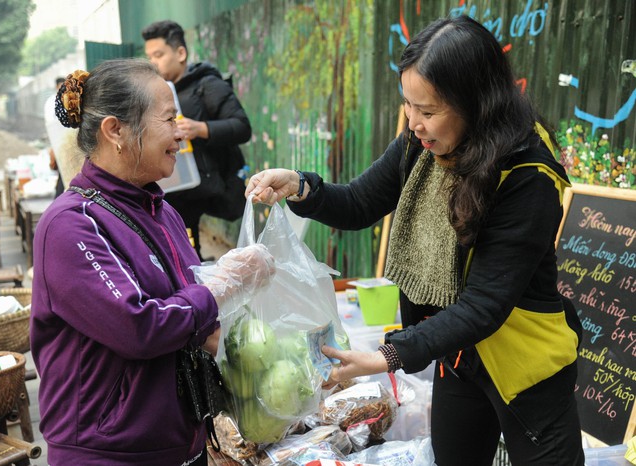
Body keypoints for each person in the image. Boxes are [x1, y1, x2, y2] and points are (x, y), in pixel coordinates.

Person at [246, 15, 584, 466]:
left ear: (476, 104)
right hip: (458, 356)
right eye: (409, 105)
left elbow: (484, 305)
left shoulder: (526, 174)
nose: (415, 122)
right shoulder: (420, 145)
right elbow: (360, 202)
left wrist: (388, 355)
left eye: (428, 111)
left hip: (524, 365)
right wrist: (302, 187)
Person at [30, 59, 275, 466]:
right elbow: (139, 327)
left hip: (182, 445)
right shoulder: (70, 226)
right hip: (109, 455)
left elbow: (191, 315)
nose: (181, 132)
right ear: (116, 131)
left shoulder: (162, 210)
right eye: (168, 119)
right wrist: (222, 286)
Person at [142, 19, 252, 260]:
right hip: (174, 188)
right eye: (149, 56)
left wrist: (199, 128)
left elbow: (242, 127)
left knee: (189, 252)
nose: (153, 62)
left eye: (158, 54)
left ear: (180, 53)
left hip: (206, 186)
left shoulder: (207, 84)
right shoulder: (157, 93)